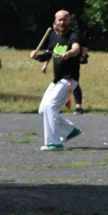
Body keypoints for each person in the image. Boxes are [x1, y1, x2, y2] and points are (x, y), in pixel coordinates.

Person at [30, 10, 82, 151]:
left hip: (69, 78)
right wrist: (37, 57)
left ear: (69, 20)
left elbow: (76, 49)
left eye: (65, 19)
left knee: (50, 107)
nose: (62, 22)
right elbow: (48, 54)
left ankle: (53, 143)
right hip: (57, 79)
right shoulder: (53, 36)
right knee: (42, 110)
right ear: (55, 20)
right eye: (59, 20)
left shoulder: (73, 34)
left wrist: (69, 53)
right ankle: (69, 130)